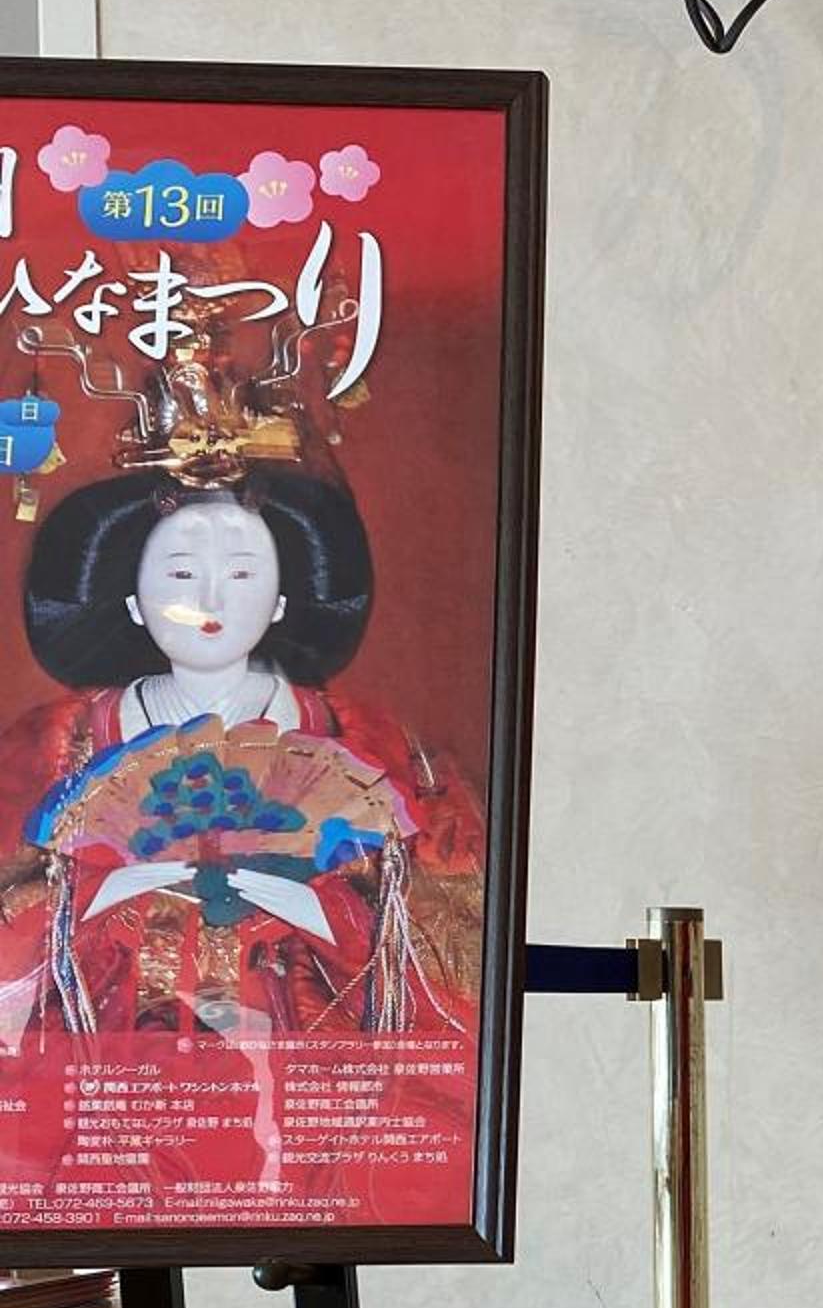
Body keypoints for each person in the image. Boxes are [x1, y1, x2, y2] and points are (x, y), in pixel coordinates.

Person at [0, 412, 481, 1041]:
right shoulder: (57, 744)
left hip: (305, 1056)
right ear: (133, 600)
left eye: (242, 573)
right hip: (103, 1061)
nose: (211, 600)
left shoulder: (370, 741)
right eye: (181, 574)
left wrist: (319, 910)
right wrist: (99, 894)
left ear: (282, 598)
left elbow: (463, 958)